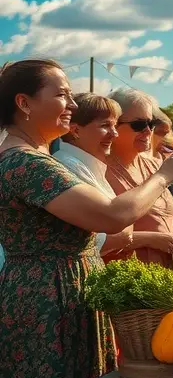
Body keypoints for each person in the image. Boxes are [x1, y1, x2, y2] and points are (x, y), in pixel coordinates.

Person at [0, 60, 173, 378]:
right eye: (60, 94)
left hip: (55, 290)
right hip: (46, 300)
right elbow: (112, 216)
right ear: (24, 102)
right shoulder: (25, 162)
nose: (70, 103)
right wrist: (165, 175)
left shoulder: (27, 157)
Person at [105, 89, 173, 269]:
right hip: (128, 277)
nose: (148, 131)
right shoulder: (101, 169)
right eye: (139, 124)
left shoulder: (153, 166)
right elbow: (96, 240)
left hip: (169, 274)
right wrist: (149, 239)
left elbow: (171, 215)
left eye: (152, 123)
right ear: (113, 125)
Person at [54, 93, 132, 258]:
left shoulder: (86, 165)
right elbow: (104, 237)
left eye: (115, 125)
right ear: (75, 130)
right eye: (105, 125)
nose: (114, 134)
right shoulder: (66, 166)